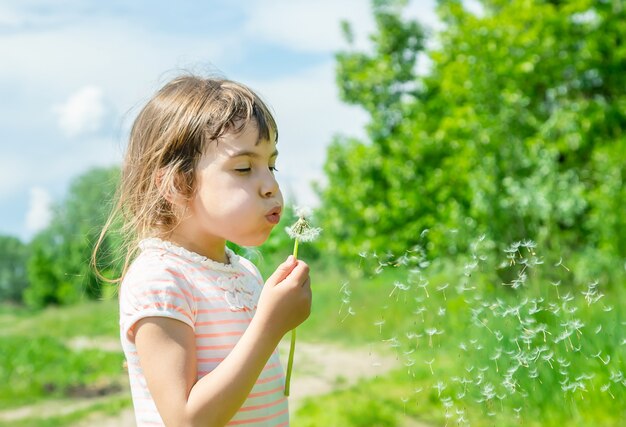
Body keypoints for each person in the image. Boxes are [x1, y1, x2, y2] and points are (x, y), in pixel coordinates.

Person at [95, 75, 312, 426]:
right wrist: (270, 326)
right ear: (178, 183)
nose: (271, 186)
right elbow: (186, 420)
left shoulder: (244, 271)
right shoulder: (160, 279)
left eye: (271, 165)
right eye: (244, 168)